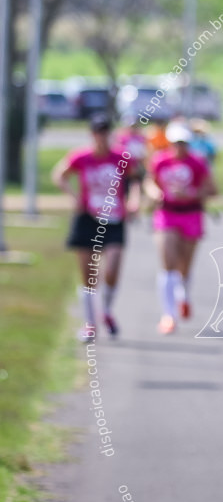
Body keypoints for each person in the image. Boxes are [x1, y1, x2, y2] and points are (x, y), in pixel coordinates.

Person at [52, 114, 140, 342]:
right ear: (92, 134)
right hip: (88, 219)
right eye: (97, 133)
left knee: (112, 269)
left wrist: (134, 200)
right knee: (89, 276)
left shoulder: (121, 157)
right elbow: (59, 175)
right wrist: (74, 197)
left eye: (105, 132)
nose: (101, 137)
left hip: (114, 218)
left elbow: (135, 181)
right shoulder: (81, 156)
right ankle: (89, 323)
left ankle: (107, 311)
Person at [145, 122, 217, 335]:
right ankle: (169, 315)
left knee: (184, 264)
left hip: (191, 214)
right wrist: (155, 193)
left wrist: (192, 194)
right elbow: (150, 182)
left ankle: (183, 295)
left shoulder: (198, 162)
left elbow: (212, 189)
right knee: (167, 262)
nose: (180, 147)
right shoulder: (160, 160)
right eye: (176, 143)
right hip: (166, 214)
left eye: (183, 143)